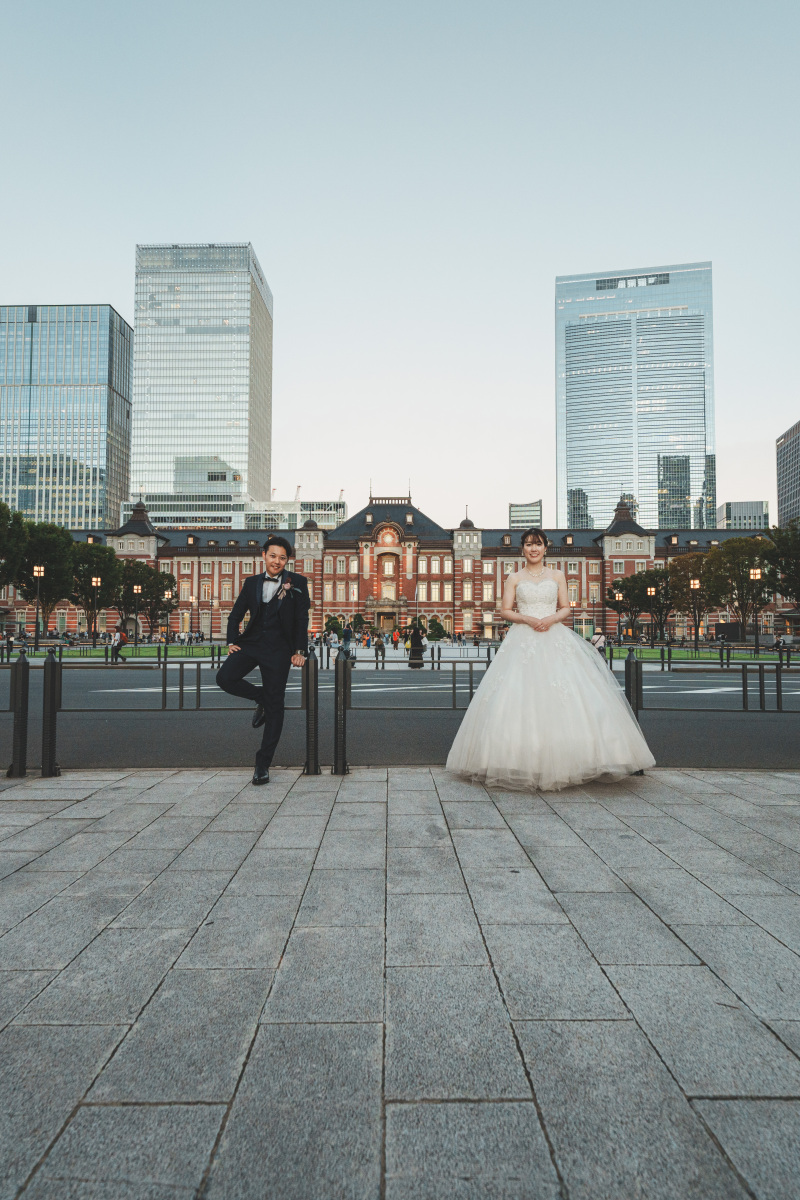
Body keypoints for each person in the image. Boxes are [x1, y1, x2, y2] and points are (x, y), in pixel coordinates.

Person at [446, 528, 655, 791]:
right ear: (522, 549)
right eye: (529, 544)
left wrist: (550, 619)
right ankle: (518, 761)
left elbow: (567, 607)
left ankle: (571, 759)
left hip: (553, 632)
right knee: (518, 695)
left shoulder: (557, 575)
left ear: (546, 547)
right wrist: (528, 619)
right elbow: (505, 610)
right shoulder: (514, 577)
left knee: (566, 694)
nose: (533, 549)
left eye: (538, 544)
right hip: (523, 635)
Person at [215, 535, 310, 786]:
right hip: (252, 643)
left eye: (282, 557)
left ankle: (262, 765)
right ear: (264, 556)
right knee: (224, 678)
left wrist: (300, 650)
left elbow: (302, 619)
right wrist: (231, 641)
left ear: (287, 560)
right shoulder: (251, 583)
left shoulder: (298, 582)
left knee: (276, 705)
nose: (277, 561)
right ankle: (260, 698)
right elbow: (235, 616)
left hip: (279, 649)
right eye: (273, 555)